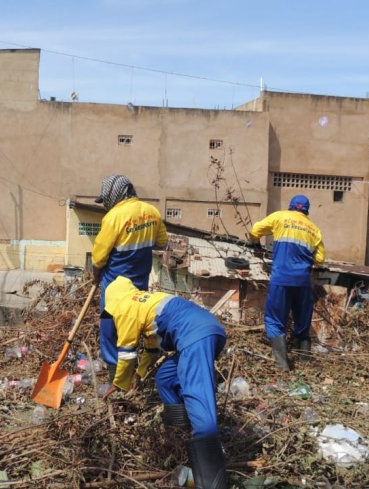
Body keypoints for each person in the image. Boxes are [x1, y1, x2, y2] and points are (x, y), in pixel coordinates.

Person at [102, 276, 227, 489]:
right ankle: (179, 433)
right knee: (166, 378)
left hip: (194, 336)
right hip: (205, 330)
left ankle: (212, 482)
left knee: (198, 397)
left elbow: (126, 353)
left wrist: (120, 384)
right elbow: (151, 347)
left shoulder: (124, 307)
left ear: (112, 301)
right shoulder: (145, 301)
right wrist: (140, 376)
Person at [92, 175, 168, 381]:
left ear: (117, 194)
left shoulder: (114, 217)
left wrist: (95, 272)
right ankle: (139, 368)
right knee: (136, 321)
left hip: (115, 282)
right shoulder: (152, 212)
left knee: (110, 326)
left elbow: (99, 255)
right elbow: (162, 242)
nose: (106, 203)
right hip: (140, 280)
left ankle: (114, 371)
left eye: (106, 198)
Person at [250, 195, 325, 371]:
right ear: (307, 210)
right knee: (302, 320)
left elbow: (256, 230)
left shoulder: (280, 217)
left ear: (291, 206)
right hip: (303, 282)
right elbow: (320, 258)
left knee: (275, 319)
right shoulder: (314, 229)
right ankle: (304, 363)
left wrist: (255, 243)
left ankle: (282, 364)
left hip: (281, 279)